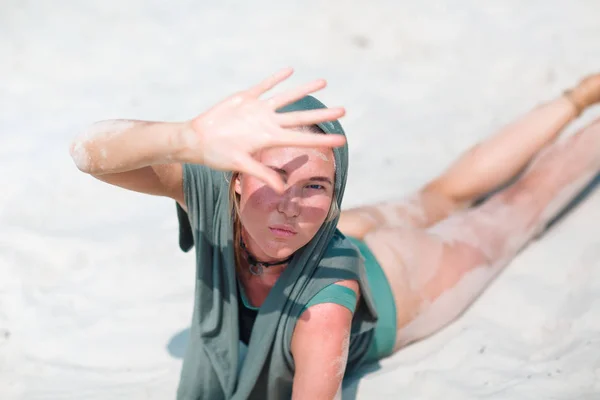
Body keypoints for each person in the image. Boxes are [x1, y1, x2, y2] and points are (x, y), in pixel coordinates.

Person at [69, 67, 600, 400]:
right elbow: (88, 153)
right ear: (231, 178)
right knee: (441, 195)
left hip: (401, 281)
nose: (291, 206)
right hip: (335, 236)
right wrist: (186, 136)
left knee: (516, 210)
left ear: (336, 190)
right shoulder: (216, 194)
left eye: (316, 184)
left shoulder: (323, 316)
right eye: (273, 176)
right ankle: (578, 95)